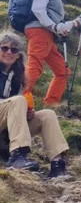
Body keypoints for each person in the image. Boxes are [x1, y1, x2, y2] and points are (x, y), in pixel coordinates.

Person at [0, 31, 69, 177]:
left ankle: (57, 164)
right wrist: (15, 105)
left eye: (14, 49)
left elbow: (14, 107)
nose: (9, 52)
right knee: (19, 101)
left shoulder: (18, 76)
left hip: (6, 130)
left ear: (18, 55)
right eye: (4, 48)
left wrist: (25, 114)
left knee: (47, 115)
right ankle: (18, 155)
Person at [24, 0, 81, 106]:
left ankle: (51, 104)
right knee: (34, 68)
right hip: (39, 31)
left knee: (63, 71)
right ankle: (15, 100)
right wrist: (53, 26)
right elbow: (38, 9)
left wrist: (77, 21)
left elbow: (59, 25)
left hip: (47, 35)